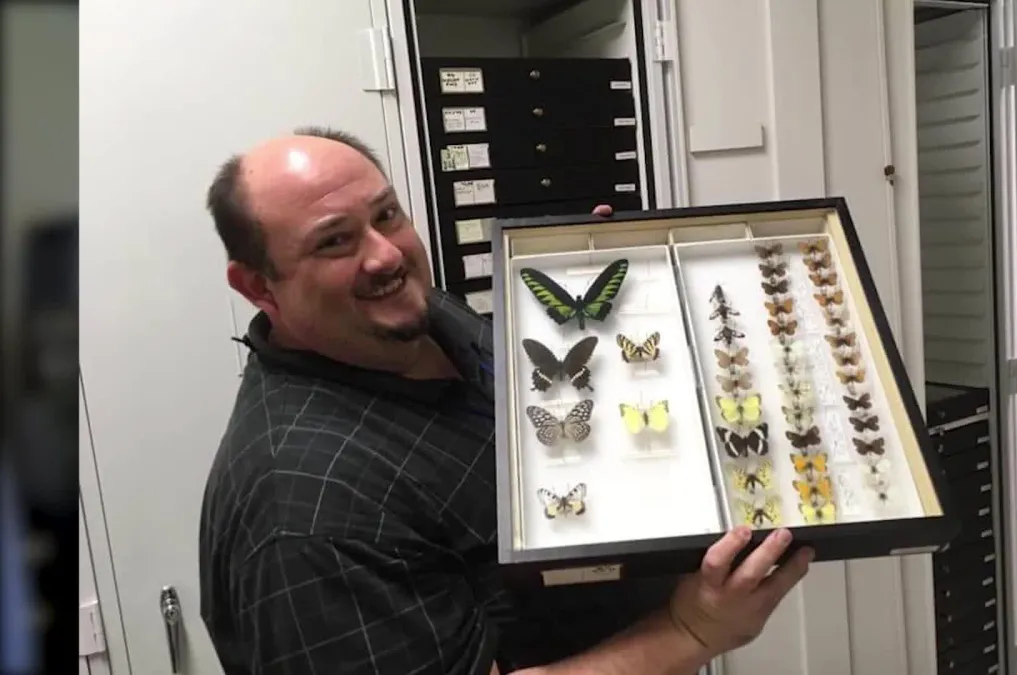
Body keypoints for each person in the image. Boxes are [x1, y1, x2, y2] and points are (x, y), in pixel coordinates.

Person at [197, 126, 816, 675]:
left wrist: (599, 302)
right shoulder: (308, 515)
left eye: (386, 215)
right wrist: (692, 631)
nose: (386, 255)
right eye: (334, 242)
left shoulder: (418, 317)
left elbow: (532, 402)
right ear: (258, 286)